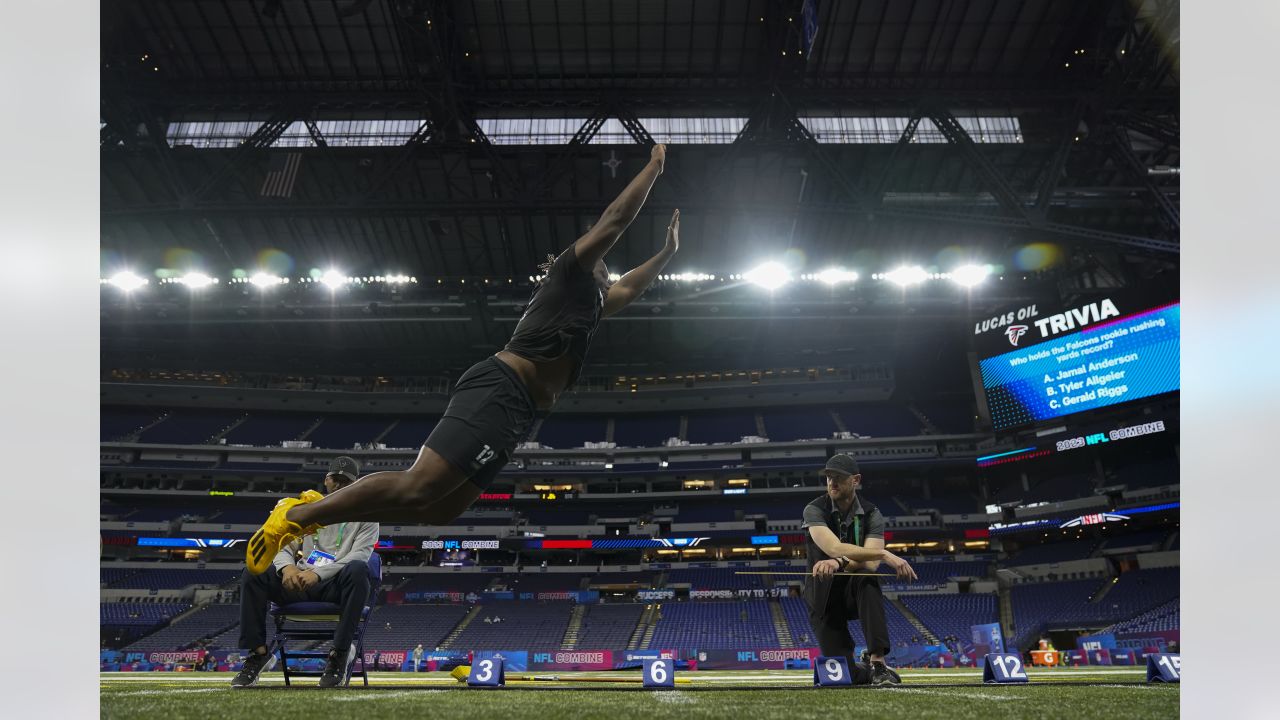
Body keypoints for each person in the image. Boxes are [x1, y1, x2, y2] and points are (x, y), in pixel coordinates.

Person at [246, 144, 677, 572]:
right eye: (605, 263)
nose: (611, 271)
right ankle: (296, 517)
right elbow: (616, 219)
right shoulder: (569, 274)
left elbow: (629, 289)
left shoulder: (593, 305)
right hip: (501, 386)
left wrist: (666, 254)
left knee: (437, 511)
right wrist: (655, 167)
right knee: (419, 487)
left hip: (519, 412)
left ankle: (313, 515)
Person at [231, 457, 379, 689]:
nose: (339, 486)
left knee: (359, 569)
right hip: (298, 584)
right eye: (335, 480)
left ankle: (339, 654)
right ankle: (258, 653)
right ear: (326, 480)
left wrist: (319, 574)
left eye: (345, 481)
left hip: (335, 587)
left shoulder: (366, 515)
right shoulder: (303, 509)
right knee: (253, 571)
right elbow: (277, 545)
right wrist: (287, 567)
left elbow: (359, 555)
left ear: (355, 484)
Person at [801, 453, 918, 686]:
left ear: (855, 480)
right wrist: (884, 553)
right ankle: (866, 669)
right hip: (823, 596)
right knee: (846, 677)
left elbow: (871, 563)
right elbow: (834, 547)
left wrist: (839, 563)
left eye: (839, 478)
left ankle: (877, 661)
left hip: (854, 588)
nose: (832, 483)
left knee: (868, 577)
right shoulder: (813, 510)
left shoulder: (872, 513)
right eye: (829, 478)